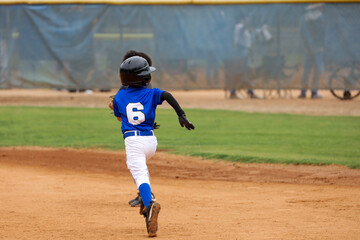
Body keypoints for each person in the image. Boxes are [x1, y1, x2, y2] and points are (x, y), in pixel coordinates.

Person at [109, 54, 195, 237]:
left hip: (133, 141)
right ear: (143, 78)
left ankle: (149, 206)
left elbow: (120, 117)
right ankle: (147, 197)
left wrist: (116, 106)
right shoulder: (152, 92)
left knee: (139, 174)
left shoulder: (119, 96)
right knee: (141, 169)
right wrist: (181, 114)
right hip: (151, 141)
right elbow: (167, 95)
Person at [231, 15, 262, 99]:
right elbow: (238, 40)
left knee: (245, 74)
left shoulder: (247, 31)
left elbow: (248, 43)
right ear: (242, 19)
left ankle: (249, 91)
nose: (248, 21)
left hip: (245, 55)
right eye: (246, 19)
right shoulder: (239, 27)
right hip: (240, 55)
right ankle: (234, 92)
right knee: (240, 73)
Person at [298, 3, 325, 99]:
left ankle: (303, 92)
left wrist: (306, 45)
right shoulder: (321, 18)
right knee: (317, 70)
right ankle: (314, 92)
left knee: (307, 70)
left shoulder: (303, 18)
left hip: (308, 48)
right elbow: (323, 33)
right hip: (317, 48)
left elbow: (301, 33)